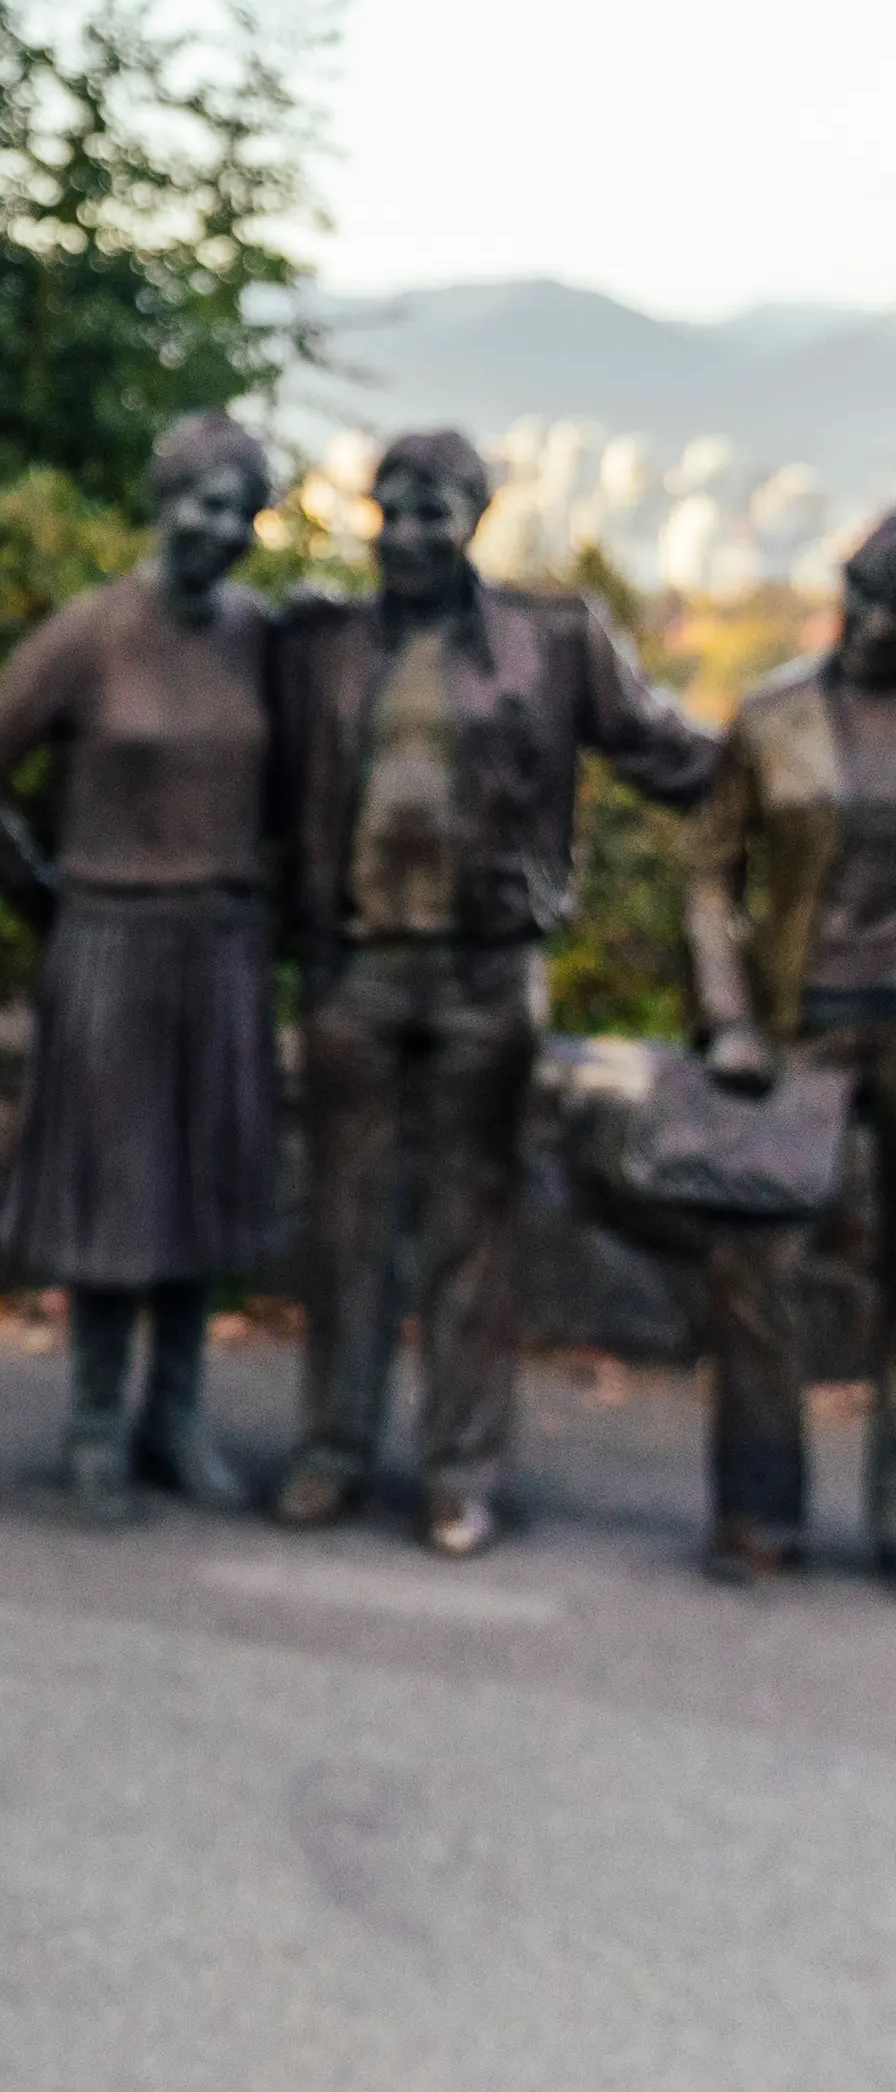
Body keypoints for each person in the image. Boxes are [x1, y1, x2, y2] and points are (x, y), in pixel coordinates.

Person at [265, 425, 718, 1555]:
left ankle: (460, 1470)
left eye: (437, 513)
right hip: (355, 967)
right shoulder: (317, 643)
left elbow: (672, 756)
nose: (412, 534)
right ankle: (333, 1449)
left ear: (475, 521)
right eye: (396, 510)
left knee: (474, 1228)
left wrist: (820, 729)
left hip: (486, 972)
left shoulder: (551, 642)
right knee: (344, 1223)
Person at [0, 412, 281, 1521]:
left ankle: (176, 1415)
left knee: (202, 1186)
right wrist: (48, 902)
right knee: (118, 1191)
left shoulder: (258, 636)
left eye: (241, 510)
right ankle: (91, 1422)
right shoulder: (87, 636)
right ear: (159, 500)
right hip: (112, 944)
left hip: (220, 947)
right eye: (202, 502)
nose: (219, 527)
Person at [682, 509, 896, 1587]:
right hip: (799, 1025)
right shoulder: (771, 720)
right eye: (861, 600)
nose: (870, 626)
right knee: (756, 1271)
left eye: (892, 613)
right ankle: (757, 1511)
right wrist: (726, 1016)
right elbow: (710, 874)